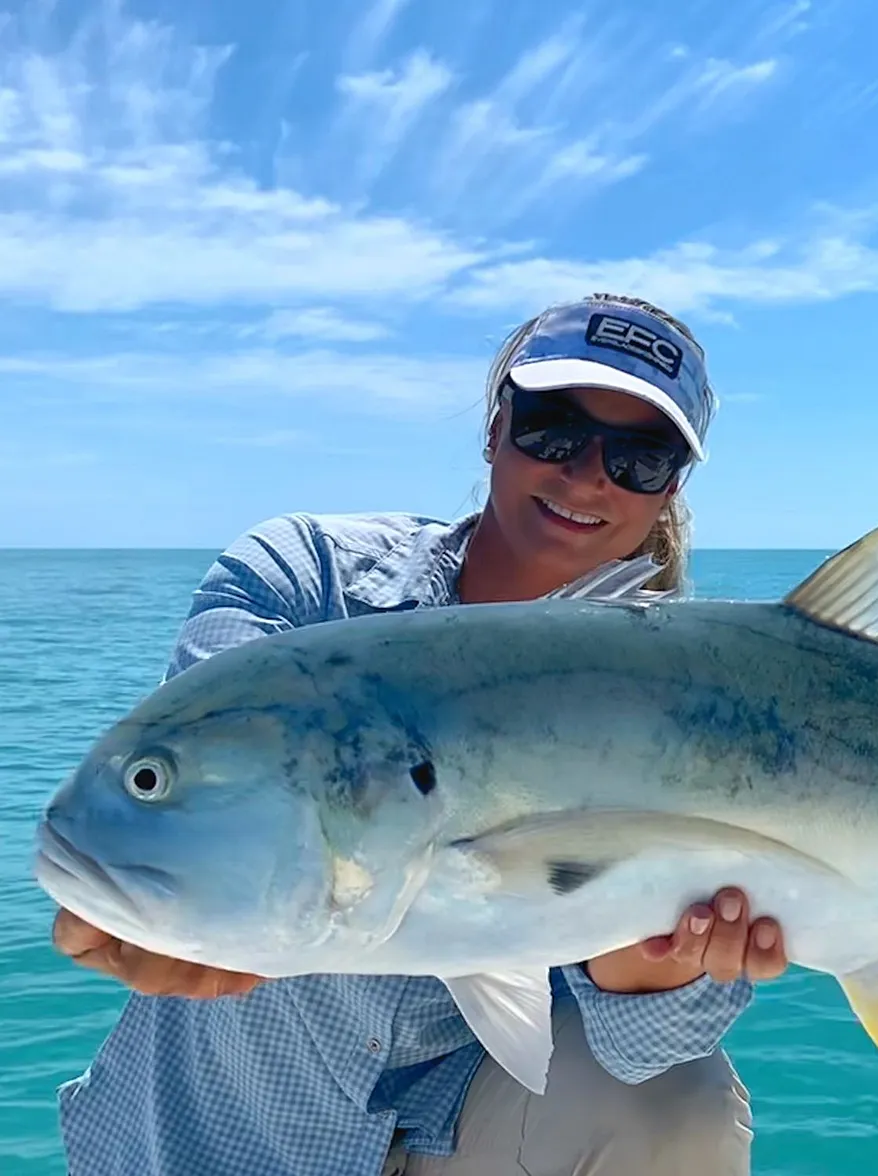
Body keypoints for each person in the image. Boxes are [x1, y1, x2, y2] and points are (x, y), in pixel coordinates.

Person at [48, 293, 786, 1175]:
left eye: (639, 457)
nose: (590, 476)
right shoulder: (302, 582)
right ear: (496, 426)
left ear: (672, 486)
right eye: (553, 428)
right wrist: (160, 895)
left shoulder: (699, 708)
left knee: (677, 1109)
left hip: (465, 1129)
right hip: (221, 1137)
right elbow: (223, 793)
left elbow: (642, 1051)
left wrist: (655, 962)